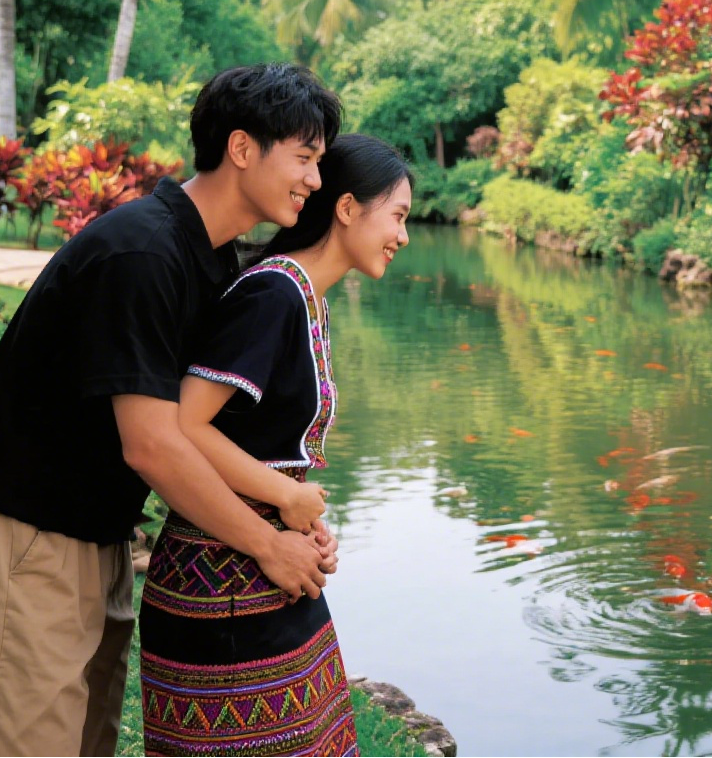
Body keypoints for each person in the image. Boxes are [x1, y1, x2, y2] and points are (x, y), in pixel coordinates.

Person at [0, 63, 343, 758]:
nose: (314, 179)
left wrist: (291, 510)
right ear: (242, 148)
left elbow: (196, 428)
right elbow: (153, 444)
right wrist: (266, 544)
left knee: (87, 739)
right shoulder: (144, 252)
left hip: (96, 535)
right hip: (34, 534)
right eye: (304, 158)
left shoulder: (206, 258)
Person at [138, 133, 412, 757]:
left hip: (267, 571)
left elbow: (262, 441)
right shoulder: (273, 294)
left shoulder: (306, 298)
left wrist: (301, 515)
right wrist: (285, 497)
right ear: (347, 208)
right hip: (222, 584)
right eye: (397, 216)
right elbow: (185, 422)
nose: (402, 236)